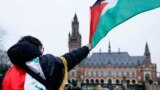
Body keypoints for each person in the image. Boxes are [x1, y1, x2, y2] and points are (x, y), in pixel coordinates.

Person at [2, 35, 92, 90]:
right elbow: (70, 58)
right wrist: (87, 48)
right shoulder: (43, 64)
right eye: (41, 49)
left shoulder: (7, 74)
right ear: (36, 49)